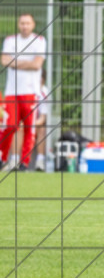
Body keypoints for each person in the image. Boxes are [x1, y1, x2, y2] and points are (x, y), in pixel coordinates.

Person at [1, 14, 47, 171]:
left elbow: (36, 64)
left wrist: (15, 63)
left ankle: (24, 163)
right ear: (18, 24)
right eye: (22, 23)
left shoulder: (39, 41)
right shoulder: (9, 40)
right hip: (12, 91)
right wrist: (25, 62)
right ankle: (3, 157)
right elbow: (4, 61)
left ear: (33, 24)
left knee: (29, 128)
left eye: (28, 23)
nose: (25, 26)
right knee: (11, 125)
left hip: (30, 91)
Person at [32, 71, 52, 171]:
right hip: (24, 123)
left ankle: (40, 161)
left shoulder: (44, 92)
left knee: (42, 128)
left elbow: (42, 118)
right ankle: (16, 160)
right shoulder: (26, 90)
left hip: (34, 124)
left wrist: (32, 124)